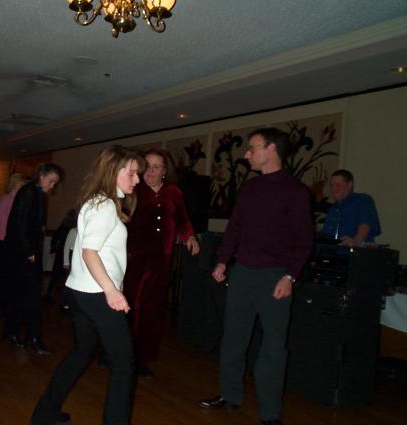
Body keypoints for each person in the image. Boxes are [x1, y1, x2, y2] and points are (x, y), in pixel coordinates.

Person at [198, 128, 314, 425]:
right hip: (243, 274)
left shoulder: (296, 191)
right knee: (233, 339)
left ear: (271, 149)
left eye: (253, 148)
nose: (247, 153)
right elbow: (235, 228)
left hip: (275, 277)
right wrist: (222, 261)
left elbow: (304, 241)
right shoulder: (250, 188)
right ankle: (230, 394)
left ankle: (270, 413)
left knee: (273, 347)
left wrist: (290, 276)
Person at [30, 145, 144, 425]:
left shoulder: (97, 201)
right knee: (124, 363)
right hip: (97, 295)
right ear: (113, 172)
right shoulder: (104, 205)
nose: (137, 179)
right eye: (131, 173)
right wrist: (112, 290)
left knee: (82, 352)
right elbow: (89, 252)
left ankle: (45, 413)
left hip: (81, 292)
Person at [121, 147, 199, 379]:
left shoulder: (174, 192)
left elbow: (182, 220)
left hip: (161, 262)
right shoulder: (133, 190)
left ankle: (142, 358)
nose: (150, 171)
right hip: (133, 260)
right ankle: (119, 354)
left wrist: (190, 237)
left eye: (156, 167)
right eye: (147, 166)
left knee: (152, 311)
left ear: (165, 170)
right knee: (129, 308)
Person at [2, 163, 63, 355]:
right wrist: (28, 251)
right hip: (24, 254)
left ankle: (12, 333)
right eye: (51, 181)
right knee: (32, 296)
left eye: (55, 182)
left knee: (23, 295)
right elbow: (19, 223)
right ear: (42, 176)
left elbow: (26, 223)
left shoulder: (34, 193)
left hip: (24, 252)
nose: (53, 186)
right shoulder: (29, 192)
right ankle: (33, 338)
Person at [0, 173, 28, 318]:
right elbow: (11, 225)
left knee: (2, 272)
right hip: (5, 240)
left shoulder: (2, 199)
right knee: (6, 274)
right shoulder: (12, 201)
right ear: (17, 185)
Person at [320, 169, 381, 244]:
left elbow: (364, 226)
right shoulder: (333, 208)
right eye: (331, 186)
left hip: (353, 250)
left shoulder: (362, 200)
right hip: (331, 249)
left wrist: (355, 242)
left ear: (350, 185)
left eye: (338, 185)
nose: (333, 189)